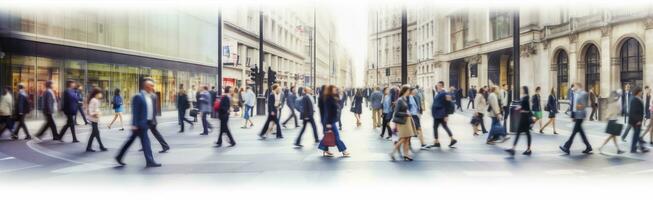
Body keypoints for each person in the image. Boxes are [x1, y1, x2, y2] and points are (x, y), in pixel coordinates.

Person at [115, 78, 162, 167]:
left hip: (146, 123)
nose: (153, 87)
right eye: (151, 86)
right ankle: (150, 161)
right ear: (146, 87)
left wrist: (153, 121)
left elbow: (152, 110)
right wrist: (134, 124)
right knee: (146, 142)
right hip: (140, 125)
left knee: (131, 141)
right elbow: (135, 112)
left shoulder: (152, 96)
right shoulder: (138, 96)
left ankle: (119, 157)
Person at [560, 82, 593, 155]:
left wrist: (577, 109)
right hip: (577, 115)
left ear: (578, 86)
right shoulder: (576, 93)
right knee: (581, 132)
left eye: (574, 86)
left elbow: (583, 105)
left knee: (574, 133)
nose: (573, 87)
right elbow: (575, 105)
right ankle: (588, 146)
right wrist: (573, 115)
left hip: (580, 115)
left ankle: (567, 147)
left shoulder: (584, 93)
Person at [318, 85, 350, 157]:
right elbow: (328, 111)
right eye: (334, 89)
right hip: (330, 121)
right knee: (336, 136)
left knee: (328, 135)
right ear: (330, 90)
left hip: (331, 120)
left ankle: (324, 148)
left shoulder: (332, 97)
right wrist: (328, 123)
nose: (336, 90)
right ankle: (344, 151)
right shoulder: (328, 99)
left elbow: (339, 104)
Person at [428, 81, 457, 148]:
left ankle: (437, 141)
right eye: (437, 85)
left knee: (436, 127)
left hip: (441, 114)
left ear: (441, 86)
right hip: (438, 114)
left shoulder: (445, 93)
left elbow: (449, 104)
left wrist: (446, 115)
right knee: (443, 126)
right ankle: (451, 139)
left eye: (438, 85)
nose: (437, 86)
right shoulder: (439, 93)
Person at [389, 85, 415, 161]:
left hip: (406, 121)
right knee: (403, 138)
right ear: (404, 91)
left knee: (407, 138)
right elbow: (396, 113)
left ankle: (406, 154)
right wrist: (406, 114)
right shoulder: (400, 100)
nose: (409, 92)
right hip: (402, 122)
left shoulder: (404, 99)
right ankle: (392, 152)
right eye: (408, 91)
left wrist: (407, 113)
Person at [505, 86, 533, 156]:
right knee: (526, 133)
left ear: (524, 90)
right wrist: (519, 108)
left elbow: (527, 108)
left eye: (522, 89)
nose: (521, 90)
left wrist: (520, 108)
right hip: (523, 117)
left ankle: (514, 149)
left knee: (523, 133)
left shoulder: (526, 97)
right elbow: (524, 107)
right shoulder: (524, 97)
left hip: (524, 118)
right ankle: (525, 149)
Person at [627, 86, 649, 153]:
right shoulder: (634, 100)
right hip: (636, 121)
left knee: (637, 134)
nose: (642, 92)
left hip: (636, 120)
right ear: (638, 92)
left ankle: (641, 147)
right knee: (636, 135)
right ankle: (633, 149)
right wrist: (638, 121)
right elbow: (633, 111)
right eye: (641, 91)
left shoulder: (638, 98)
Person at [86, 87, 107, 152]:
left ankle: (88, 147)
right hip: (93, 119)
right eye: (100, 93)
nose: (101, 95)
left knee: (93, 134)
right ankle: (101, 146)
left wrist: (99, 112)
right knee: (96, 133)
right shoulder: (93, 100)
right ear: (96, 94)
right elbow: (90, 111)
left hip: (95, 119)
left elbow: (95, 109)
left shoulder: (96, 100)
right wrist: (96, 113)